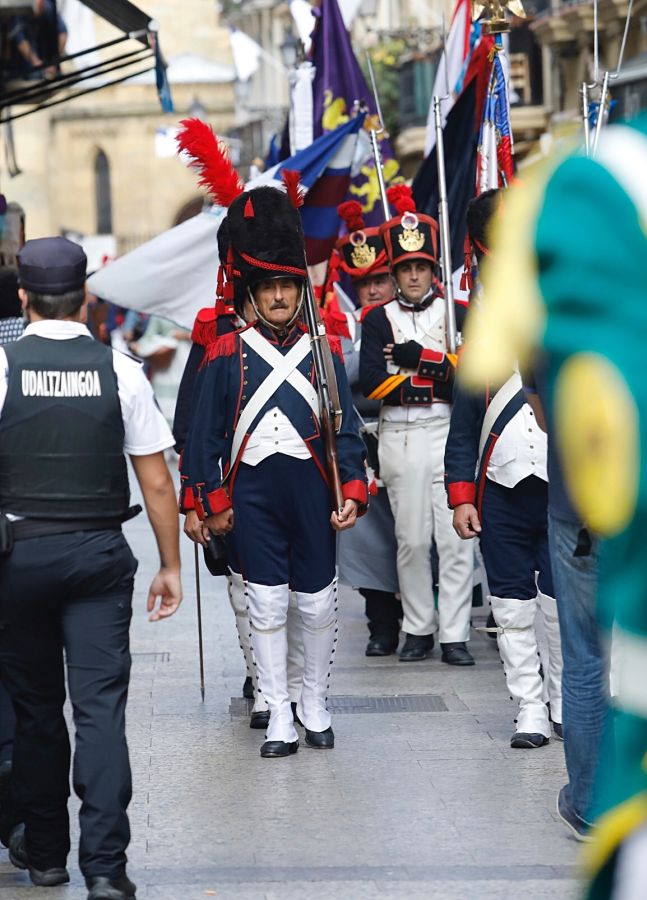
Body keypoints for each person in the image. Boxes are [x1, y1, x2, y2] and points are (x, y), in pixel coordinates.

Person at [178, 117, 367, 758]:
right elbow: (202, 437)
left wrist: (354, 487)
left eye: (289, 285)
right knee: (265, 603)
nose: (283, 296)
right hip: (253, 490)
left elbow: (346, 430)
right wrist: (208, 500)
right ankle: (279, 711)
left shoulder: (324, 350)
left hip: (312, 491)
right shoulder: (226, 349)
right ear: (254, 295)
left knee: (315, 605)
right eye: (271, 287)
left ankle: (315, 703)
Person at [0, 237, 182, 900]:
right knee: (101, 712)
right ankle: (105, 867)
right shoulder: (121, 371)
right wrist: (169, 564)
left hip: (18, 561)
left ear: (24, 297)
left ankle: (47, 855)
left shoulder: (1, 365)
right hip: (99, 556)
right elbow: (157, 482)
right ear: (84, 297)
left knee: (36, 710)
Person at [445, 189, 563, 749]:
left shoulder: (565, 325)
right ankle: (529, 708)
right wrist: (462, 496)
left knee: (562, 606)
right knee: (511, 608)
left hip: (562, 489)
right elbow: (464, 428)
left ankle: (566, 701)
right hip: (501, 490)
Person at [360, 183, 475, 665]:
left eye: (421, 267)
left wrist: (421, 361)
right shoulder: (377, 319)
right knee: (410, 540)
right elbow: (370, 382)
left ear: (433, 268)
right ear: (395, 271)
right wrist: (440, 370)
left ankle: (455, 634)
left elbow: (470, 379)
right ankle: (417, 628)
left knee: (455, 539)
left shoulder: (460, 311)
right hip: (402, 435)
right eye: (405, 268)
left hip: (448, 432)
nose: (412, 276)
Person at [326, 200, 401, 656]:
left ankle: (422, 619)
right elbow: (337, 375)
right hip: (364, 440)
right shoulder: (339, 323)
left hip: (413, 432)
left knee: (418, 538)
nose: (374, 290)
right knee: (369, 541)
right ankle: (381, 623)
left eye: (380, 280)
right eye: (365, 283)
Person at [5, 0, 67, 81]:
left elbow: (62, 33)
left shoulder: (47, 7)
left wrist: (54, 61)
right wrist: (39, 64)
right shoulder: (19, 9)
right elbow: (20, 42)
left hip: (43, 58)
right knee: (33, 75)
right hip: (22, 64)